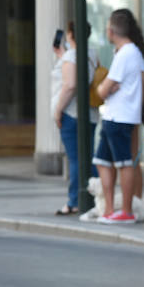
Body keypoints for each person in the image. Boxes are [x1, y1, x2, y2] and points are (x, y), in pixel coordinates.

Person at [93, 8, 144, 224]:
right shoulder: (132, 52)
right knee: (102, 161)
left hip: (120, 116)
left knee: (124, 163)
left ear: (111, 31)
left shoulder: (125, 53)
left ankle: (126, 210)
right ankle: (109, 209)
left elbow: (102, 90)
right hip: (117, 116)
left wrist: (103, 88)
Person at [50, 22, 99, 215]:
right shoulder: (92, 54)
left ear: (70, 34)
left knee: (76, 159)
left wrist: (58, 110)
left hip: (71, 113)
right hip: (90, 114)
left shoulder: (71, 56)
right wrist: (63, 56)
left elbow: (70, 85)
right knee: (87, 157)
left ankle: (74, 200)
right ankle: (96, 196)